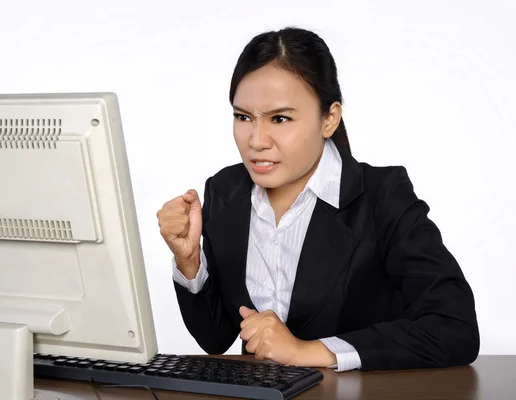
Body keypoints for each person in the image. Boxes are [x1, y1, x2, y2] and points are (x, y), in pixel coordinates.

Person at [156, 27, 479, 372]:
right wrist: (190, 262)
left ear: (329, 118)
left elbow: (454, 328)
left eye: (280, 118)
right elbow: (215, 338)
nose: (256, 140)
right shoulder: (225, 191)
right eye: (243, 117)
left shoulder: (382, 196)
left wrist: (309, 351)